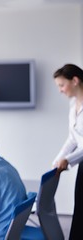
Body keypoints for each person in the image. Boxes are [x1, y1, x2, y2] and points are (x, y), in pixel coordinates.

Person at [53, 63, 83, 240]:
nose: (60, 90)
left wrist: (68, 160)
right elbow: (73, 138)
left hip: (79, 159)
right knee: (79, 208)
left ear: (75, 80)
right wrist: (58, 159)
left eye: (61, 85)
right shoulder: (74, 104)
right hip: (81, 162)